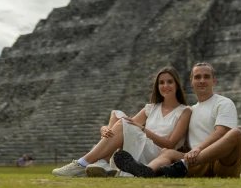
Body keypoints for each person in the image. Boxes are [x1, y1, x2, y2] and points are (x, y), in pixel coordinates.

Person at [52, 66, 191, 178]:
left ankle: (83, 163)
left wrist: (143, 130)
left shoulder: (184, 111)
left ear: (177, 85)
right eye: (161, 82)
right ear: (157, 86)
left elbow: (170, 144)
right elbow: (125, 127)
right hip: (141, 148)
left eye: (170, 82)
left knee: (123, 122)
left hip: (159, 155)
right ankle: (101, 161)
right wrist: (104, 128)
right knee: (117, 115)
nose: (165, 86)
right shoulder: (151, 108)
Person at [114, 62, 241, 179]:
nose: (202, 80)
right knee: (167, 152)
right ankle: (147, 171)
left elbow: (221, 133)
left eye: (206, 77)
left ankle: (181, 165)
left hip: (220, 163)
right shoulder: (190, 110)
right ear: (191, 81)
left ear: (214, 80)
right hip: (194, 164)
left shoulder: (223, 103)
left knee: (236, 133)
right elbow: (187, 142)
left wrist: (197, 149)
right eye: (197, 77)